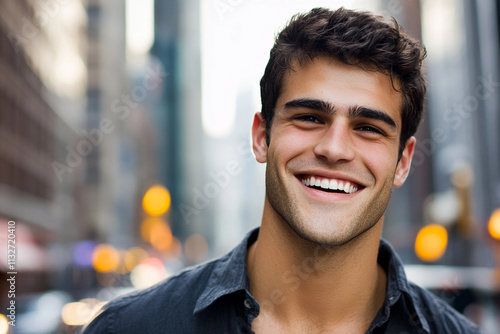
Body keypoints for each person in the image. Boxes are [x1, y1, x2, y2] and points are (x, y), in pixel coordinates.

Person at [82, 7, 482, 334]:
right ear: (261, 136)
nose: (334, 149)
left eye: (368, 128)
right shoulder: (129, 328)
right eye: (309, 117)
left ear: (403, 161)